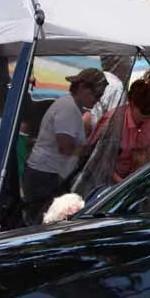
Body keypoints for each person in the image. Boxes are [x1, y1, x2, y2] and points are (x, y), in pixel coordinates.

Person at [21, 68, 106, 226]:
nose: (97, 99)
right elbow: (65, 147)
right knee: (43, 223)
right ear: (82, 88)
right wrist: (89, 149)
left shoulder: (72, 107)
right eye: (96, 94)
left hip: (47, 174)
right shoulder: (68, 108)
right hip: (45, 175)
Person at [91, 79, 150, 184]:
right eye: (144, 111)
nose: (149, 116)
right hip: (104, 179)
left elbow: (147, 151)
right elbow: (98, 157)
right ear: (131, 103)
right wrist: (121, 182)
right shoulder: (112, 121)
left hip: (134, 177)